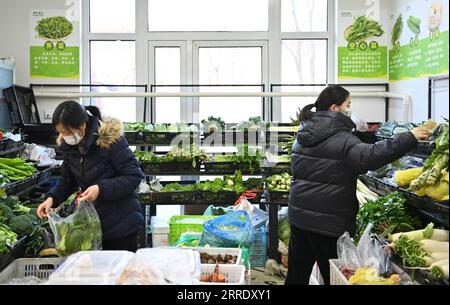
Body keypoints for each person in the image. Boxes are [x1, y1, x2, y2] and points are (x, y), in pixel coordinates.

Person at [285, 85, 429, 285]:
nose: (350, 109)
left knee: (296, 276)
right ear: (335, 108)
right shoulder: (342, 139)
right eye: (348, 105)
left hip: (299, 217)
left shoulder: (301, 136)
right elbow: (370, 157)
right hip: (327, 223)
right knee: (334, 277)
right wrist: (409, 137)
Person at [37, 101, 144, 252]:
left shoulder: (110, 140)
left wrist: (101, 188)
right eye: (61, 133)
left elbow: (133, 176)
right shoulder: (70, 148)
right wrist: (52, 198)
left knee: (119, 273)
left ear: (82, 125)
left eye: (67, 132)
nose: (64, 136)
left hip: (121, 226)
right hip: (92, 227)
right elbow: (68, 180)